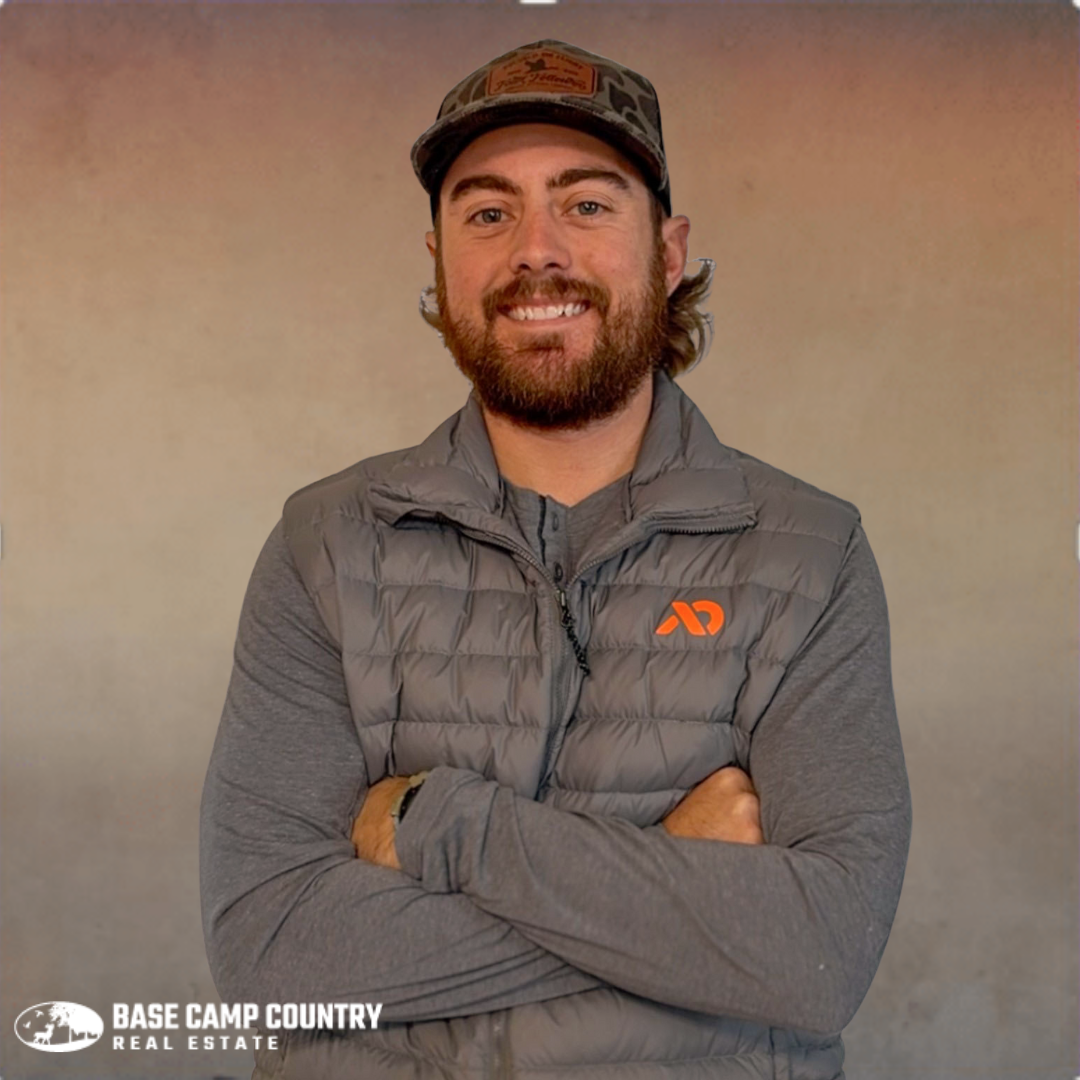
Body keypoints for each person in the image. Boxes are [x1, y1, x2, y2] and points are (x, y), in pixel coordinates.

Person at [200, 39, 912, 1080]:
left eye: (585, 204)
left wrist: (440, 824)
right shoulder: (326, 545)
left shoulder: (809, 556)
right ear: (439, 259)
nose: (536, 250)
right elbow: (271, 958)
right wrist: (671, 876)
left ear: (669, 251)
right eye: (488, 213)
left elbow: (817, 954)